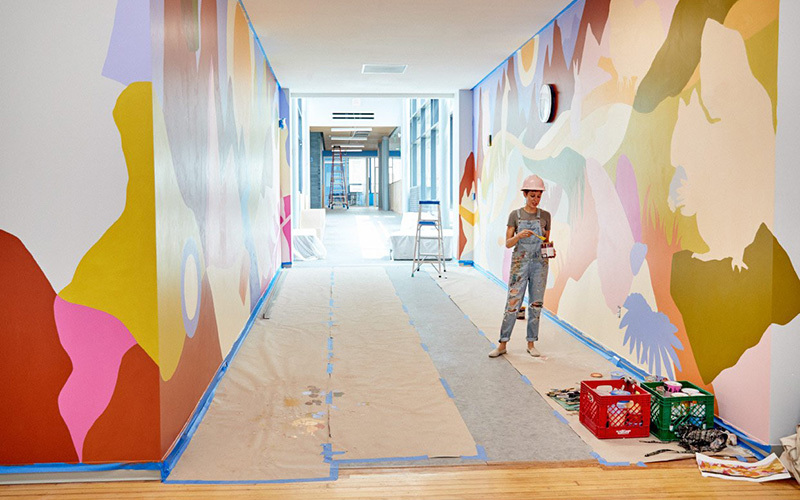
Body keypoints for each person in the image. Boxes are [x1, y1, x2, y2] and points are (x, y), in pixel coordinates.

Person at [489, 174, 552, 358]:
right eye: (532, 195)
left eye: (539, 196)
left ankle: (531, 343)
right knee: (513, 303)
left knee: (536, 304)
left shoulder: (546, 216)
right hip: (520, 262)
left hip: (540, 263)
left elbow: (546, 240)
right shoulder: (515, 215)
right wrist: (519, 236)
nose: (535, 199)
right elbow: (508, 243)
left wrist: (550, 249)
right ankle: (502, 344)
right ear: (525, 194)